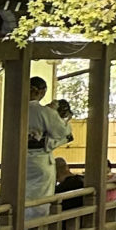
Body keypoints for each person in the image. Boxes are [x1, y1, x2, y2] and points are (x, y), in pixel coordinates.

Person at [25, 77, 71, 212]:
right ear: (41, 92)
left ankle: (19, 223)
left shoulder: (13, 109)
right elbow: (62, 132)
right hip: (40, 159)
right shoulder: (43, 111)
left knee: (21, 195)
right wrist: (57, 115)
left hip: (19, 160)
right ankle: (34, 224)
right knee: (40, 199)